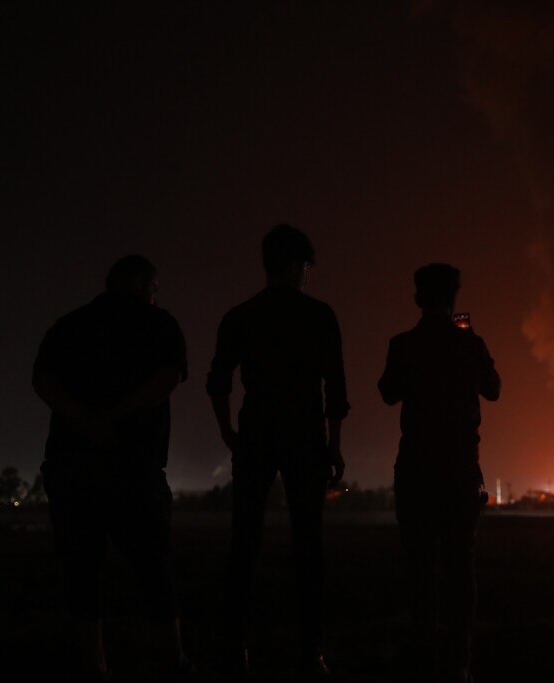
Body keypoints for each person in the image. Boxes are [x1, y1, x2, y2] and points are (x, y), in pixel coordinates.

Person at [32, 255, 194, 683]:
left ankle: (94, 663)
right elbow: (168, 378)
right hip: (134, 467)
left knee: (81, 571)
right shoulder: (159, 325)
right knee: (156, 568)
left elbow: (44, 383)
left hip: (72, 467)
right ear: (141, 283)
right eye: (155, 288)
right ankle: (172, 660)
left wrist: (85, 420)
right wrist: (119, 417)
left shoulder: (68, 326)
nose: (156, 297)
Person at [207, 224, 349, 680]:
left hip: (256, 435)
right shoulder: (320, 316)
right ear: (294, 266)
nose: (307, 274)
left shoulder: (239, 317)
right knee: (310, 546)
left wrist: (228, 430)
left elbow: (218, 380)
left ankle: (234, 648)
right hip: (305, 437)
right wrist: (334, 445)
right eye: (306, 266)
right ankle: (310, 654)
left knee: (243, 543)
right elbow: (337, 389)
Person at [378, 263, 501, 683]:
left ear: (418, 298)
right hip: (461, 472)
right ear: (453, 299)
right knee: (460, 567)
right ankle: (459, 661)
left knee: (419, 567)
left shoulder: (404, 344)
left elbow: (387, 392)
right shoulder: (470, 344)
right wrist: (469, 342)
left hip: (416, 470)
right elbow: (495, 388)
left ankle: (423, 654)